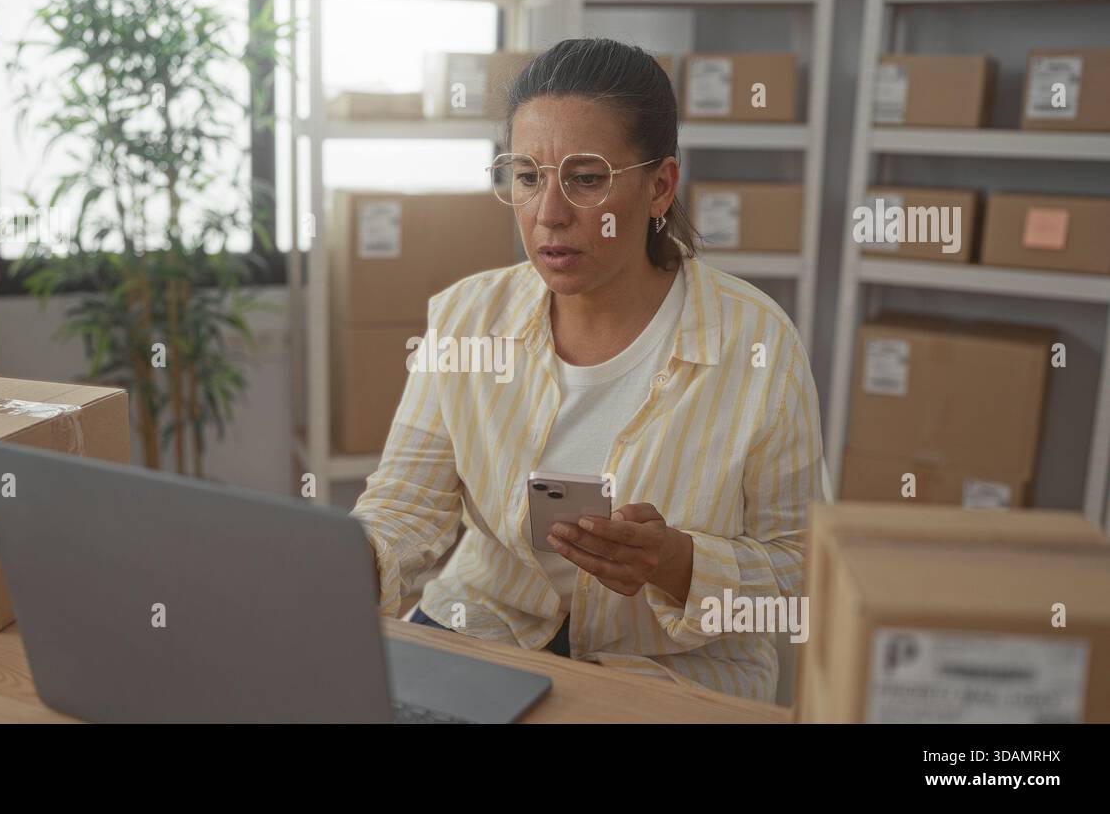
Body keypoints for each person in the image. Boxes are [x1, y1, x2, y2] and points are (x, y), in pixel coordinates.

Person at [349, 37, 825, 702]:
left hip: (671, 667)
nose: (549, 212)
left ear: (661, 186)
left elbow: (803, 576)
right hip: (488, 631)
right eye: (527, 176)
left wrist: (682, 563)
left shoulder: (756, 342)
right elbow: (406, 505)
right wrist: (350, 569)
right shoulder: (467, 319)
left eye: (587, 177)